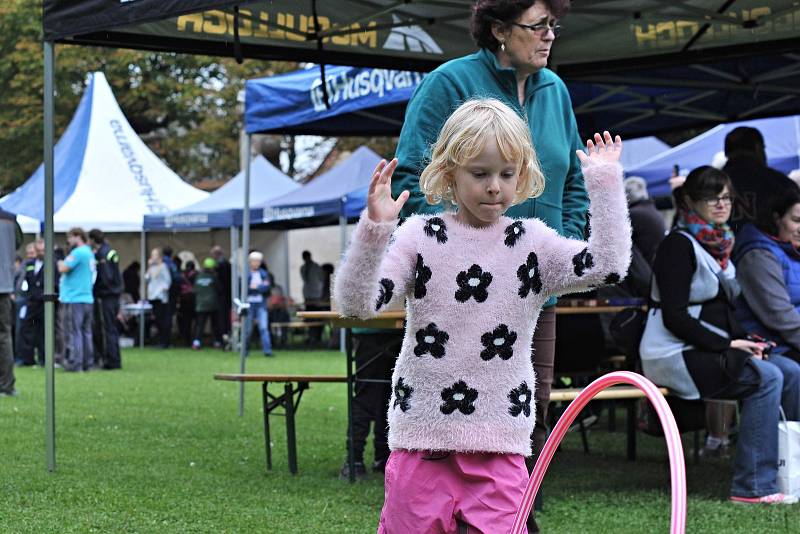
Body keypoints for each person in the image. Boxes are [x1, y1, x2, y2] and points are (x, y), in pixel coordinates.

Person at [335, 99, 631, 531]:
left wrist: (603, 185)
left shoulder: (532, 243)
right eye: (480, 173)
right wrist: (374, 231)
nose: (495, 186)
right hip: (422, 439)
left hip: (499, 443)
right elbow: (358, 304)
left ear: (523, 175)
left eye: (507, 174)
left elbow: (607, 265)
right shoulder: (420, 236)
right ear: (450, 174)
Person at [391, 5, 587, 523]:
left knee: (526, 412)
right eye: (536, 25)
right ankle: (439, 511)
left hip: (530, 287)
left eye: (552, 26)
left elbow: (574, 180)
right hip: (458, 294)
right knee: (447, 423)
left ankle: (509, 515)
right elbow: (413, 175)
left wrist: (556, 252)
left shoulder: (555, 91)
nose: (549, 37)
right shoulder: (448, 83)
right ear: (499, 29)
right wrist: (459, 256)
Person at [640, 165, 800, 505]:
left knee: (790, 371)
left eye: (726, 197)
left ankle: (790, 473)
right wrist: (729, 344)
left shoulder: (720, 243)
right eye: (711, 197)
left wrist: (750, 342)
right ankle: (752, 485)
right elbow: (675, 317)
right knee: (768, 377)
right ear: (690, 202)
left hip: (707, 346)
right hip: (672, 351)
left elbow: (726, 312)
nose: (720, 204)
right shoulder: (678, 245)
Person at [733, 188, 800, 361]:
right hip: (773, 345)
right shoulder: (758, 256)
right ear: (777, 218)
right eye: (796, 220)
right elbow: (780, 316)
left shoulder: (791, 249)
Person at [722, 126, 799, 233]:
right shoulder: (780, 183)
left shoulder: (708, 185)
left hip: (723, 248)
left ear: (726, 152)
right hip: (774, 247)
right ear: (758, 148)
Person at [58, 227, 97, 372]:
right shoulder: (89, 253)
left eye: (69, 238)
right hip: (87, 297)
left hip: (74, 297)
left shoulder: (78, 253)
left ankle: (76, 362)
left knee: (74, 332)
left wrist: (60, 263)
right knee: (86, 332)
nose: (68, 241)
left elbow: (63, 268)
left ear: (77, 236)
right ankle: (88, 362)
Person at [89, 229, 123, 370]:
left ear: (92, 240)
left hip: (106, 295)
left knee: (106, 328)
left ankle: (111, 360)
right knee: (112, 328)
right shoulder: (110, 251)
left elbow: (106, 276)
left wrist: (97, 289)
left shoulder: (102, 254)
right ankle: (114, 359)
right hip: (114, 294)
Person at [0, 209, 21, 396]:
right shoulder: (10, 218)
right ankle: (7, 385)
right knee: (4, 336)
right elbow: (18, 243)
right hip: (4, 284)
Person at [17, 242, 43, 366]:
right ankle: (28, 358)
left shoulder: (45, 264)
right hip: (30, 301)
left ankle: (43, 358)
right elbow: (21, 281)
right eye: (28, 253)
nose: (30, 255)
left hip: (41, 302)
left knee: (42, 331)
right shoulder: (28, 265)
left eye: (33, 253)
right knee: (26, 329)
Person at [245, 251, 273, 357]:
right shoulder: (246, 274)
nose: (256, 263)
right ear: (250, 262)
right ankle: (245, 351)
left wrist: (255, 287)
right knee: (248, 329)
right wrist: (259, 287)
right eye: (254, 261)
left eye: (258, 261)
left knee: (264, 328)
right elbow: (245, 289)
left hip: (261, 304)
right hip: (249, 305)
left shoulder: (264, 274)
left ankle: (267, 351)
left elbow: (266, 287)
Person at [192, 257, 222, 350]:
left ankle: (197, 342)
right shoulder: (214, 277)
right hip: (213, 304)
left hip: (200, 305)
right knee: (215, 324)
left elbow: (194, 290)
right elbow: (220, 289)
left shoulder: (198, 277)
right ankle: (217, 342)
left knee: (200, 325)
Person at [146, 248, 172, 348]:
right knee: (156, 320)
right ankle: (160, 340)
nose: (153, 257)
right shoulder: (152, 267)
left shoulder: (163, 267)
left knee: (162, 320)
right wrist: (149, 266)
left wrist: (161, 291)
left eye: (155, 255)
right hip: (152, 297)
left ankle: (165, 341)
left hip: (161, 298)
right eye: (152, 255)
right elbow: (147, 278)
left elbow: (168, 282)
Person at [300, 250, 325, 344]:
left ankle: (316, 337)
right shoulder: (303, 268)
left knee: (317, 317)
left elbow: (321, 278)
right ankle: (311, 336)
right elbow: (304, 279)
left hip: (316, 295)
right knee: (309, 318)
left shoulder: (316, 267)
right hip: (308, 295)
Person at [211, 245, 232, 338]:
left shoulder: (220, 265)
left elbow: (220, 282)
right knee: (225, 317)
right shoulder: (227, 264)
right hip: (227, 294)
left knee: (222, 317)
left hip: (222, 296)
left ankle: (223, 336)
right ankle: (225, 334)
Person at [161, 246, 180, 347]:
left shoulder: (160, 263)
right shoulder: (172, 264)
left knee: (162, 317)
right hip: (171, 293)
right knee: (168, 317)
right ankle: (166, 340)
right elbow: (177, 278)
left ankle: (163, 340)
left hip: (161, 295)